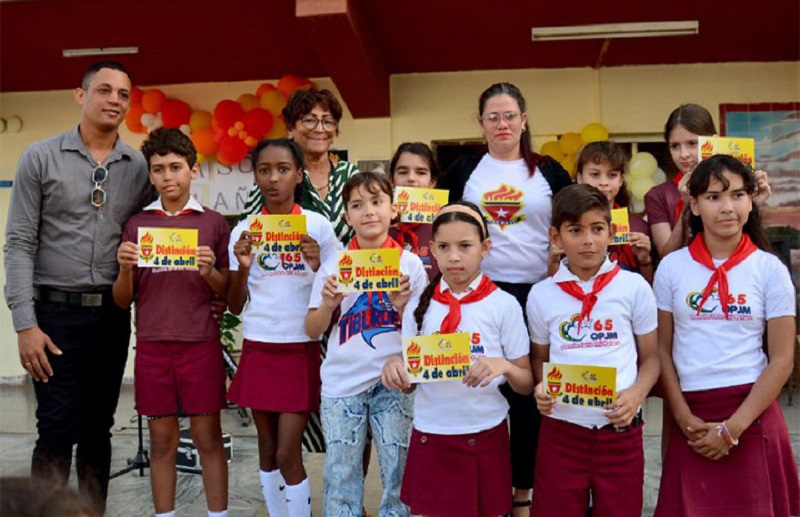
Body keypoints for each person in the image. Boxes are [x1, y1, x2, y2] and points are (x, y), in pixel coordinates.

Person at [3, 61, 152, 513]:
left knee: (98, 430)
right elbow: (18, 244)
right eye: (104, 90)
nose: (114, 100)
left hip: (110, 315)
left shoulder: (138, 166)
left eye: (123, 94)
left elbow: (155, 231)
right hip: (53, 318)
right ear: (80, 95)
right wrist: (25, 324)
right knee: (55, 429)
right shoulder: (40, 156)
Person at [440, 82, 572, 513]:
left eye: (510, 116)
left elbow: (575, 216)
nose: (502, 124)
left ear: (524, 120)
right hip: (482, 294)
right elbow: (439, 224)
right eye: (493, 117)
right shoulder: (463, 170)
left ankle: (524, 493)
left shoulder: (548, 171)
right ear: (480, 124)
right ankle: (486, 487)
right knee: (486, 390)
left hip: (538, 291)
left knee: (531, 394)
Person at [653, 155, 799, 517]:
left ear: (751, 201)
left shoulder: (770, 269)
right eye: (714, 197)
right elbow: (661, 350)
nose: (727, 207)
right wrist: (684, 418)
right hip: (691, 418)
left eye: (737, 195)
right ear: (695, 205)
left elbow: (782, 360)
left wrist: (733, 428)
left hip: (752, 414)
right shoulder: (671, 267)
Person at [383, 201, 534, 517]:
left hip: (485, 432)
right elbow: (411, 383)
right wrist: (396, 368)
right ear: (433, 250)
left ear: (485, 247)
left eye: (465, 245)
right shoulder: (417, 308)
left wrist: (503, 365)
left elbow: (525, 383)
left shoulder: (503, 305)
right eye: (444, 246)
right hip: (431, 434)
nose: (454, 256)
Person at [113, 128, 231, 517]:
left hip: (200, 346)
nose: (168, 176)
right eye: (159, 169)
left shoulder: (213, 224)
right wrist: (125, 268)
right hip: (152, 348)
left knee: (208, 439)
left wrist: (211, 272)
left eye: (176, 167)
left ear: (193, 170)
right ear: (149, 175)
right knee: (162, 443)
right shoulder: (136, 225)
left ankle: (219, 514)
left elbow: (229, 295)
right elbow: (122, 299)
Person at [527, 184, 659, 517]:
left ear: (610, 232)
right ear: (556, 238)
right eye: (575, 230)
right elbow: (540, 359)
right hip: (561, 432)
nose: (588, 240)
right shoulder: (541, 295)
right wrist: (540, 386)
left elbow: (652, 359)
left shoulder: (633, 287)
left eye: (597, 229)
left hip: (620, 432)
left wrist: (636, 395)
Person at [227, 139, 340, 517]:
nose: (273, 178)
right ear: (255, 175)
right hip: (260, 346)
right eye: (264, 170)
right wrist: (243, 265)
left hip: (299, 346)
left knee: (287, 451)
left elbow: (336, 292)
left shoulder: (318, 226)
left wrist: (316, 264)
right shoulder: (244, 230)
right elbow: (232, 303)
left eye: (283, 169)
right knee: (266, 448)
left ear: (299, 174)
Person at [305, 172, 428, 517]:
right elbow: (312, 328)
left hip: (395, 384)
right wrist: (329, 303)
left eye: (377, 202)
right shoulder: (335, 264)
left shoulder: (411, 264)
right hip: (342, 385)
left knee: (398, 472)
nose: (369, 211)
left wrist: (401, 304)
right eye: (357, 205)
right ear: (347, 216)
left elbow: (423, 330)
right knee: (341, 473)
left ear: (393, 210)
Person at [645, 103, 771, 258]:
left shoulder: (736, 184)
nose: (683, 154)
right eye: (675, 146)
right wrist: (687, 207)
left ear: (713, 141)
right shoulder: (658, 195)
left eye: (692, 144)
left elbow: (752, 247)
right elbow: (666, 254)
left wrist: (754, 203)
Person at [241, 88, 360, 245]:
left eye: (328, 121)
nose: (319, 128)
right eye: (310, 120)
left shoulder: (351, 176)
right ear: (290, 127)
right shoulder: (276, 179)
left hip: (346, 268)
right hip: (290, 267)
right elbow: (246, 235)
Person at [575, 141, 653, 283]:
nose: (604, 182)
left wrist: (645, 261)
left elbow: (649, 289)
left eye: (611, 175)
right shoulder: (569, 224)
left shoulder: (638, 226)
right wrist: (553, 259)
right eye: (595, 174)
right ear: (579, 178)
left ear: (621, 180)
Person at [388, 142, 441, 281]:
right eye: (403, 172)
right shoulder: (378, 223)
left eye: (421, 172)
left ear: (432, 182)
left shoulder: (445, 225)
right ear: (391, 180)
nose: (411, 178)